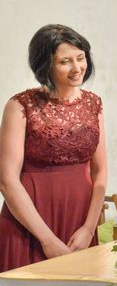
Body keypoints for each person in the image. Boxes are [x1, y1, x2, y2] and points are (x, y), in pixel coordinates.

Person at [0, 24, 107, 272]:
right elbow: (7, 180)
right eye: (65, 62)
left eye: (81, 58)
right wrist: (46, 239)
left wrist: (89, 228)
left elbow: (100, 171)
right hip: (29, 224)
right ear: (45, 65)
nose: (77, 68)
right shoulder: (20, 105)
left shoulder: (94, 104)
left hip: (79, 221)